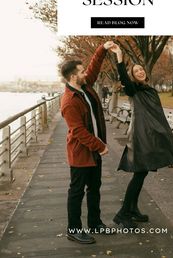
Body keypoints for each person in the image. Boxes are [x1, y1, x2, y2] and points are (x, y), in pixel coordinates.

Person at [110, 43, 173, 228]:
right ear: (132, 76)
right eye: (136, 71)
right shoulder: (134, 89)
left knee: (141, 174)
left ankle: (132, 209)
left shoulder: (148, 89)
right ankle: (123, 214)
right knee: (139, 174)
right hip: (142, 137)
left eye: (141, 69)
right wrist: (119, 55)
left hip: (150, 136)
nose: (140, 72)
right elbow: (124, 79)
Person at [60, 41, 114, 244]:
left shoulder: (85, 86)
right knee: (76, 192)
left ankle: (95, 223)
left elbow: (94, 67)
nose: (85, 74)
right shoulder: (69, 101)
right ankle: (73, 230)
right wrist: (100, 146)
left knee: (95, 188)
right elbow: (79, 132)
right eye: (81, 72)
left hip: (94, 152)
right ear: (73, 76)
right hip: (82, 154)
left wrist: (103, 49)